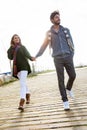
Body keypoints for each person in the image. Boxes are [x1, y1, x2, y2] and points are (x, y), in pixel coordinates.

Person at [35, 10, 76, 111]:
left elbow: (71, 43)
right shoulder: (49, 33)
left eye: (59, 17)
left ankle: (69, 88)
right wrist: (37, 55)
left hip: (68, 56)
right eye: (56, 17)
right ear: (52, 20)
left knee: (73, 75)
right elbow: (44, 45)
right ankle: (65, 101)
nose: (59, 18)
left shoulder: (66, 30)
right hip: (57, 59)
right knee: (60, 79)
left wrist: (71, 54)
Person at [7, 34, 35, 111]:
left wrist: (31, 58)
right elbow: (10, 57)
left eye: (18, 38)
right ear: (12, 40)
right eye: (15, 38)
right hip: (17, 68)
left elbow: (27, 54)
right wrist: (11, 47)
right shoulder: (11, 49)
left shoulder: (22, 47)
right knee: (23, 83)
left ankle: (22, 101)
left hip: (24, 67)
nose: (17, 39)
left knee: (22, 84)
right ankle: (28, 94)